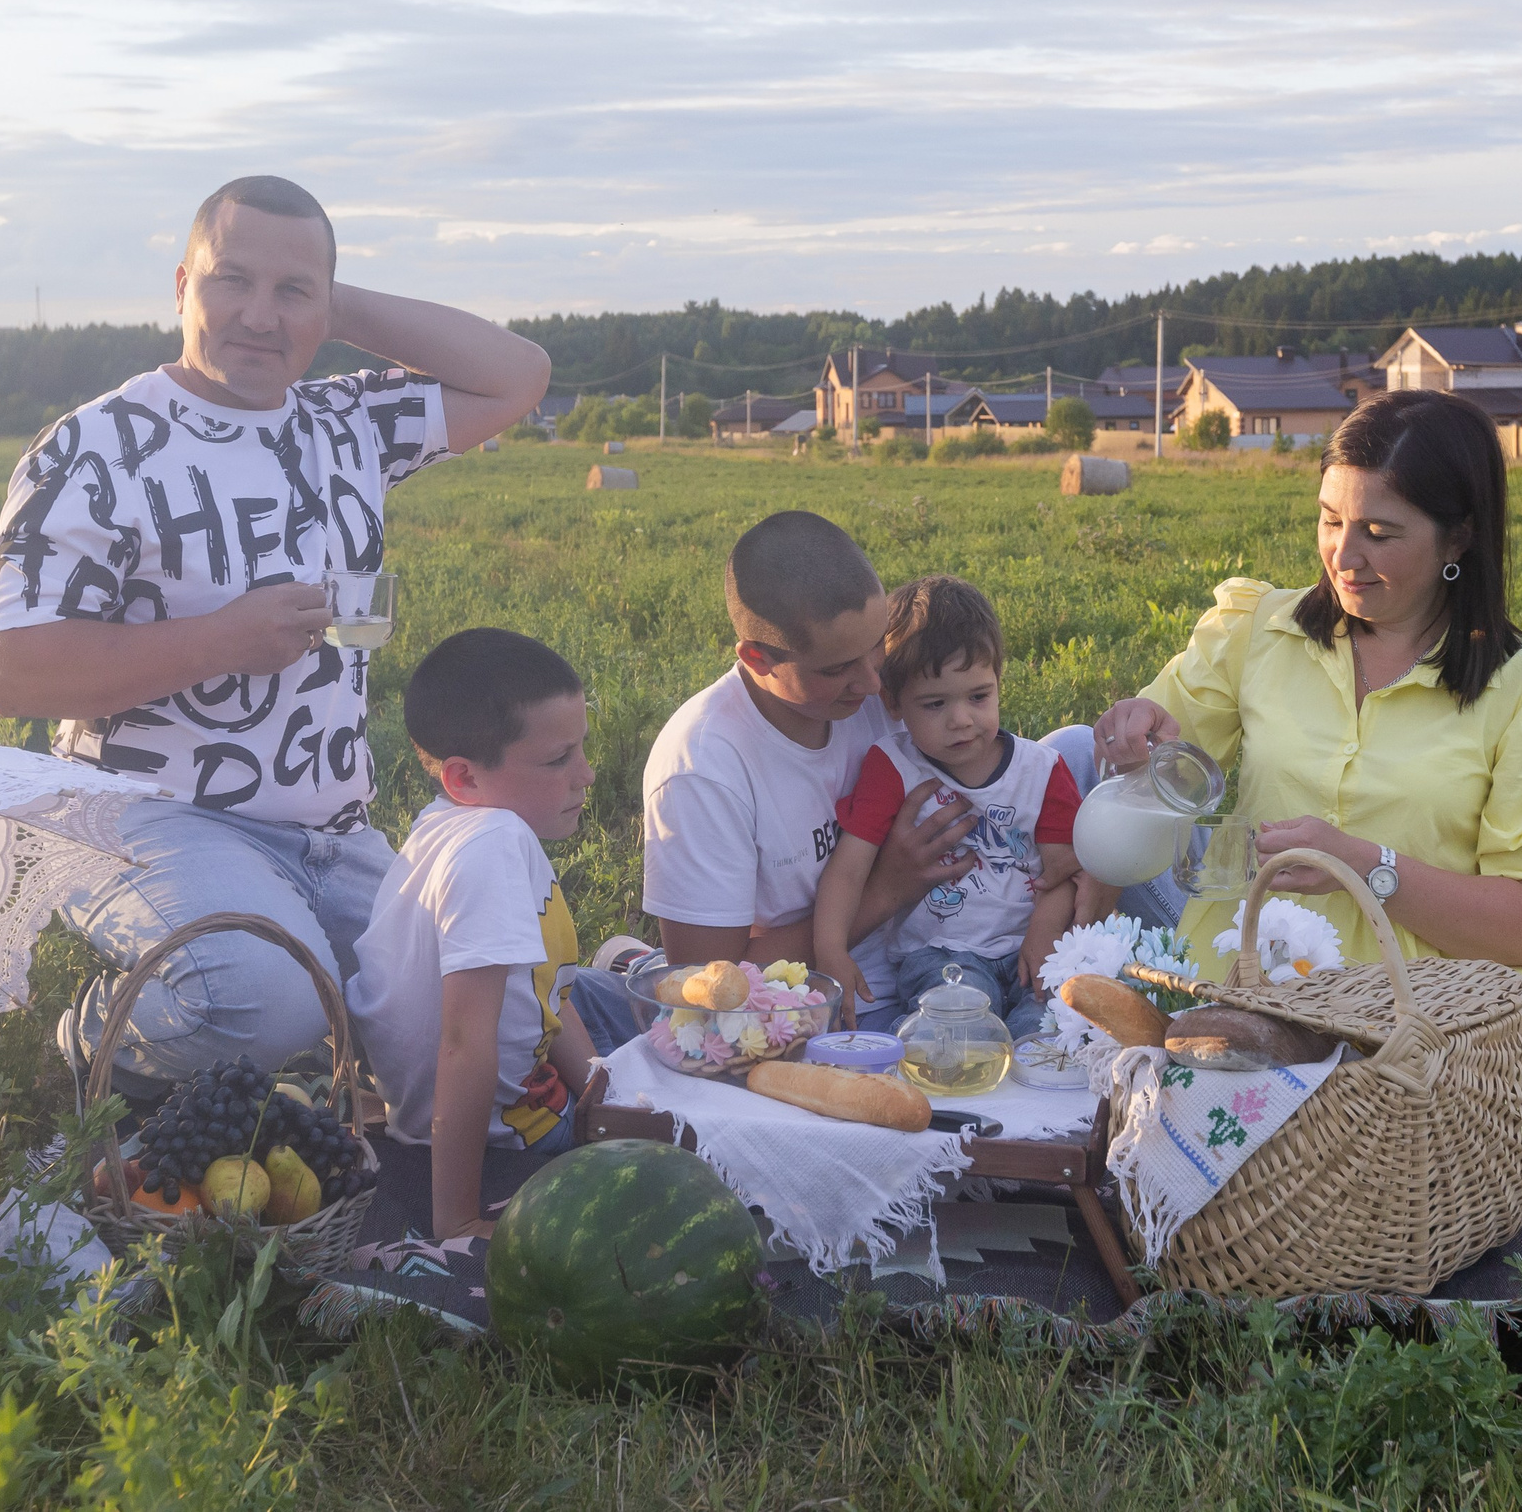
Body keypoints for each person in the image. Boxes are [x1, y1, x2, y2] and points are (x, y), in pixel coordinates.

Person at [1091, 389, 1522, 1241]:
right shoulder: (1254, 632)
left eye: (1382, 533)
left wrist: (1363, 861)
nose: (1345, 555)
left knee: (1481, 1138)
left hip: (1450, 996)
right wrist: (1138, 732)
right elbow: (1169, 750)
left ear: (1460, 537)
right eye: (1329, 519)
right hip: (1254, 968)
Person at [0, 174, 550, 1097]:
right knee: (267, 1005)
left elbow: (518, 374)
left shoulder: (346, 423)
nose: (256, 315)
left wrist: (319, 300)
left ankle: (296, 1025)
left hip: (334, 832)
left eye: (291, 292)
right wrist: (219, 641)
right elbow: (10, 672)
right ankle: (93, 1041)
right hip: (149, 821)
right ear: (180, 286)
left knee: (483, 994)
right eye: (228, 282)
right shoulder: (97, 446)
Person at [636, 511, 979, 1033]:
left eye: (877, 646)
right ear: (758, 659)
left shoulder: (879, 687)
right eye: (837, 669)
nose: (870, 685)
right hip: (808, 1014)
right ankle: (628, 974)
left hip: (950, 966)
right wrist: (887, 890)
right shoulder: (703, 766)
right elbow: (707, 985)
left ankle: (625, 965)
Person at [347, 629, 599, 1242]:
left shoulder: (451, 823)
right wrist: (456, 1218)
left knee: (611, 1012)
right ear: (463, 777)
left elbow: (547, 992)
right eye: (557, 759)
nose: (587, 776)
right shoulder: (493, 847)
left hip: (495, 1097)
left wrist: (603, 1087)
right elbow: (464, 1041)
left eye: (581, 750)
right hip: (507, 1135)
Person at [811, 576, 1084, 1037]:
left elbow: (1063, 871)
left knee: (1054, 1032)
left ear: (999, 680)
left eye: (979, 696)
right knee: (960, 1030)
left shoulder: (1041, 771)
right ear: (893, 702)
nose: (962, 720)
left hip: (1029, 949)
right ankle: (919, 1045)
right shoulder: (894, 767)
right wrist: (830, 950)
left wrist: (1045, 933)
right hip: (940, 954)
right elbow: (848, 868)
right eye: (935, 704)